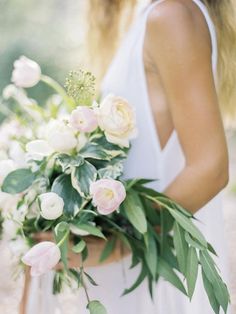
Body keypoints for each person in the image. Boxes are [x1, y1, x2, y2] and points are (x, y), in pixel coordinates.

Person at [24, 0, 236, 313]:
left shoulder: (173, 15)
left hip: (153, 276)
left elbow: (210, 168)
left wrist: (117, 246)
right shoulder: (148, 15)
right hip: (133, 274)